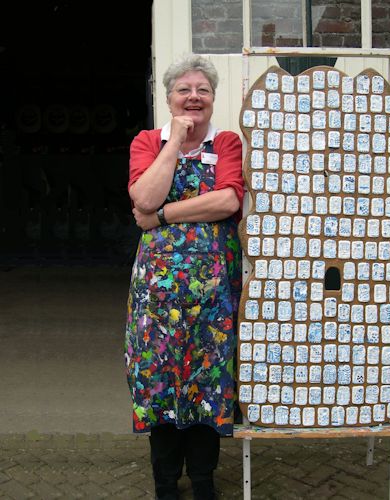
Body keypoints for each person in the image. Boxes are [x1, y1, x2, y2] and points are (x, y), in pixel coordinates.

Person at [124, 54, 243, 500]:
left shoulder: (226, 142)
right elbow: (144, 195)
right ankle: (166, 482)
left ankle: (204, 480)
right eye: (184, 90)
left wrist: (162, 216)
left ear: (213, 98)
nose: (194, 97)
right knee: (159, 376)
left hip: (214, 290)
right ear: (168, 97)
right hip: (157, 293)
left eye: (203, 90)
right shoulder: (147, 142)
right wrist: (174, 141)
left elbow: (227, 201)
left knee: (209, 376)